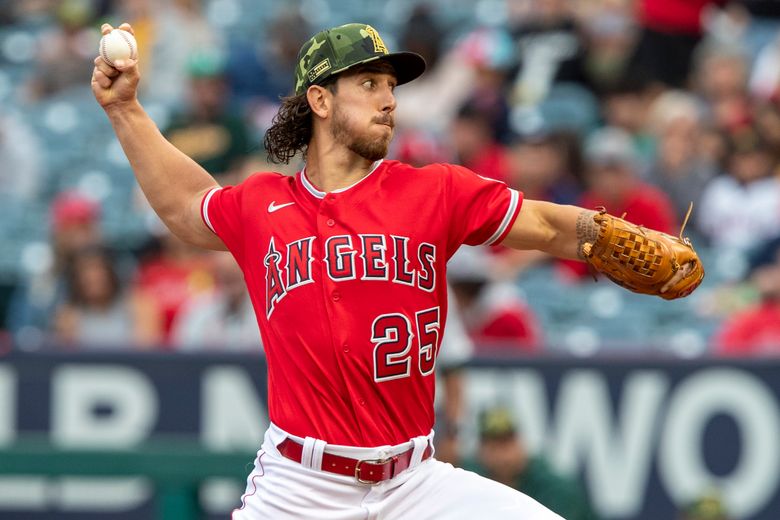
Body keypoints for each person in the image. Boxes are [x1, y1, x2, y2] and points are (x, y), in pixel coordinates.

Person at [91, 21, 698, 519]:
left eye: (392, 86)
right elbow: (186, 208)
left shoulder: (433, 191)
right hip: (299, 489)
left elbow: (542, 225)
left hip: (418, 484)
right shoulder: (262, 205)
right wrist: (126, 111)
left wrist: (602, 235)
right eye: (370, 83)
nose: (389, 99)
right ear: (321, 99)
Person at [464, 407, 600, 520]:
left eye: (508, 443)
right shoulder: (471, 482)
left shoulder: (555, 490)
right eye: (495, 446)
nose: (504, 455)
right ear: (481, 451)